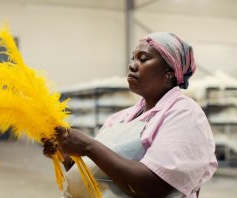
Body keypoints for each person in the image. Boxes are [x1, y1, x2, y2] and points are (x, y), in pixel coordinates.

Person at [43, 32, 218, 198]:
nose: (132, 65)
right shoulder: (121, 118)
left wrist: (89, 146)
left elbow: (156, 187)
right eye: (133, 58)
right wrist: (65, 154)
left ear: (169, 72)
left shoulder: (185, 114)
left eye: (143, 59)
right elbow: (96, 174)